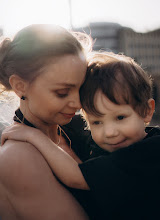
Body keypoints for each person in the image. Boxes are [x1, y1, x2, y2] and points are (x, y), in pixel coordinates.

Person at [2, 52, 160, 219]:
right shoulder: (115, 144)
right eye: (96, 122)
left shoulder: (149, 151)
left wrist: (33, 136)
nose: (110, 132)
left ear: (147, 111)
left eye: (120, 118)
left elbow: (76, 177)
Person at [0, 23, 97, 220]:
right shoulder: (17, 158)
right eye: (62, 92)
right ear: (19, 86)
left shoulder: (79, 132)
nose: (78, 103)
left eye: (82, 88)